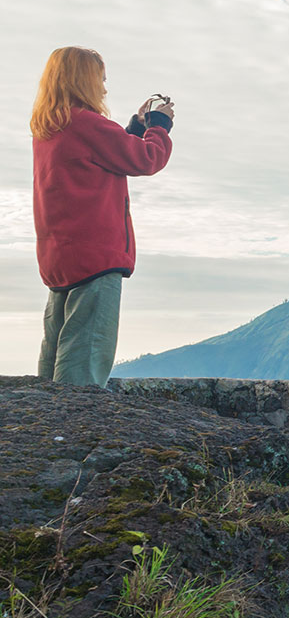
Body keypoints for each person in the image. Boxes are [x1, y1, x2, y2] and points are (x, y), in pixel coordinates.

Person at [29, 46, 175, 386]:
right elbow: (146, 159)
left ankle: (50, 416)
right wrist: (159, 126)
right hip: (96, 256)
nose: (104, 89)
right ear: (84, 81)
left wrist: (134, 128)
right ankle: (76, 420)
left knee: (56, 351)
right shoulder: (86, 123)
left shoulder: (49, 128)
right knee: (84, 361)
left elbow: (106, 155)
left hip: (60, 256)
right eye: (101, 80)